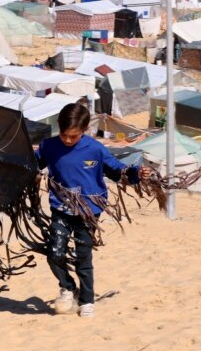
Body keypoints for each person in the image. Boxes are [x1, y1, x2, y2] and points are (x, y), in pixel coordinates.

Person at [36, 102, 151, 319]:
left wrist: (137, 173)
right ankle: (68, 287)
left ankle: (87, 301)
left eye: (74, 136)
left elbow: (118, 171)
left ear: (86, 130)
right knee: (54, 253)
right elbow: (32, 165)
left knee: (83, 257)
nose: (68, 140)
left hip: (89, 210)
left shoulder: (95, 149)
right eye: (64, 135)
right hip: (60, 208)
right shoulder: (49, 146)